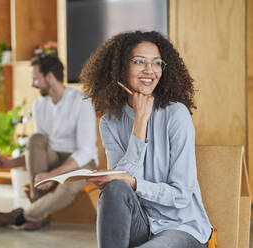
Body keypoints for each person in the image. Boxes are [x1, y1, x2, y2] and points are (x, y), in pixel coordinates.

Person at [80, 31, 212, 248]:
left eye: (157, 63)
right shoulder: (109, 123)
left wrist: (134, 183)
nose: (150, 70)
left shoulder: (176, 114)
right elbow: (119, 186)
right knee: (114, 189)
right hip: (143, 225)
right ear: (121, 68)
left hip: (182, 227)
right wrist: (140, 122)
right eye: (139, 62)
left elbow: (181, 196)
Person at [0, 54, 98, 230]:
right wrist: (11, 162)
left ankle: (22, 216)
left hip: (82, 164)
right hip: (53, 158)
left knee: (67, 187)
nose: (32, 84)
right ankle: (38, 213)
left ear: (49, 77)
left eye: (35, 79)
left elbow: (85, 152)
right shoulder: (39, 105)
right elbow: (36, 150)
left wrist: (55, 175)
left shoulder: (81, 102)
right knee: (36, 138)